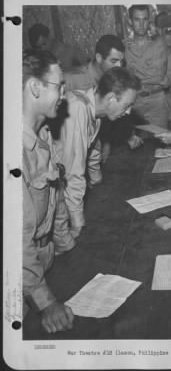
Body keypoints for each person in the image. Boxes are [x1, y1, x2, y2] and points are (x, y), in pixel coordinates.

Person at [23, 49, 76, 333]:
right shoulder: (15, 153)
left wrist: (65, 243)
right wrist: (46, 303)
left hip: (44, 265)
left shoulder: (43, 134)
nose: (65, 94)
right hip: (22, 285)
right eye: (59, 87)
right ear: (34, 87)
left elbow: (54, 196)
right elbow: (16, 242)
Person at [55, 67, 141, 238]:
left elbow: (93, 148)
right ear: (110, 99)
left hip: (67, 184)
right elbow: (73, 170)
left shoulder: (95, 109)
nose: (129, 112)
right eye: (127, 105)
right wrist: (77, 223)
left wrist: (97, 180)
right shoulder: (78, 108)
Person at [64, 34, 143, 169]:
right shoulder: (71, 79)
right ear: (99, 58)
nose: (119, 66)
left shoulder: (115, 81)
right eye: (114, 61)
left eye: (121, 62)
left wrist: (113, 140)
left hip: (95, 146)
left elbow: (111, 111)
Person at [124, 5, 170, 129]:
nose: (141, 24)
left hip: (156, 100)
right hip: (133, 102)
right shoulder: (124, 47)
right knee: (136, 144)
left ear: (149, 21)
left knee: (161, 141)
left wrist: (134, 76)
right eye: (137, 19)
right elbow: (122, 79)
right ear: (130, 21)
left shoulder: (159, 44)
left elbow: (158, 76)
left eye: (144, 19)